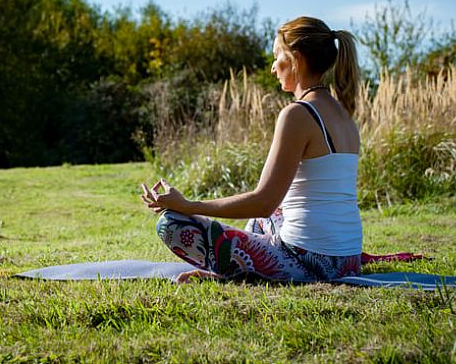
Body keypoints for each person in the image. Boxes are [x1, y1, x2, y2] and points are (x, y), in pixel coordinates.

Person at [140, 16, 363, 284]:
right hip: (348, 260)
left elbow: (263, 202)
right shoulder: (344, 114)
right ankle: (241, 265)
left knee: (171, 224)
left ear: (295, 59)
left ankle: (238, 270)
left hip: (313, 264)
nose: (272, 68)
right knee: (264, 223)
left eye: (276, 56)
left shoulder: (298, 114)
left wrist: (189, 205)